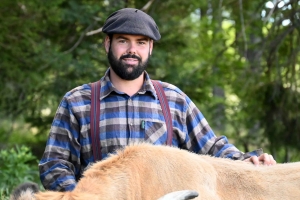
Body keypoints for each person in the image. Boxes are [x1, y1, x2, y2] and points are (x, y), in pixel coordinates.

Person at [39, 8, 276, 192]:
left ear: (150, 48)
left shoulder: (173, 100)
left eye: (141, 42)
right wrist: (82, 197)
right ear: (107, 43)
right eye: (123, 40)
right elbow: (54, 164)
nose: (132, 50)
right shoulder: (78, 102)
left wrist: (245, 160)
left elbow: (212, 148)